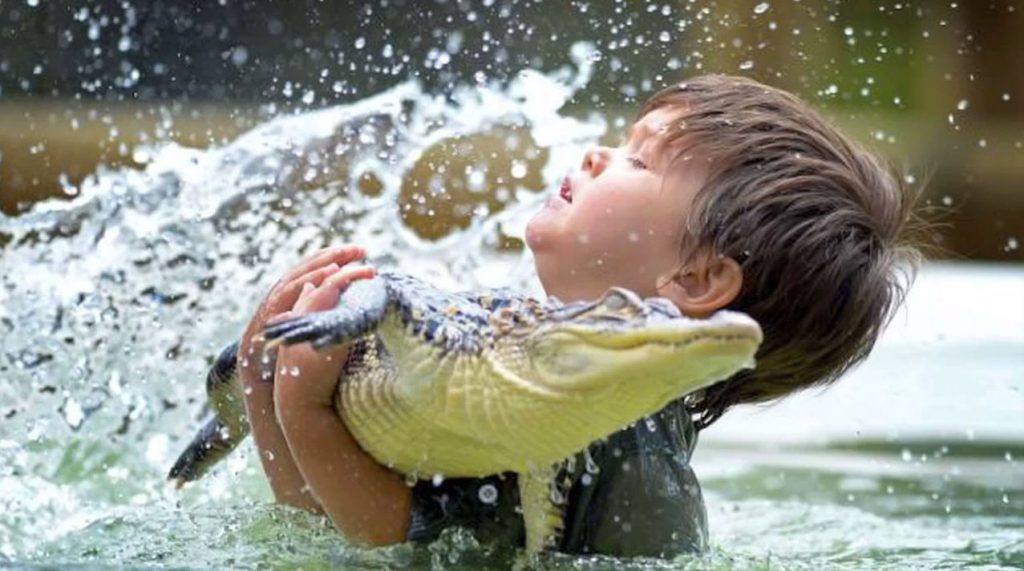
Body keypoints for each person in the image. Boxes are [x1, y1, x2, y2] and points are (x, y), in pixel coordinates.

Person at [235, 74, 923, 557]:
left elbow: (407, 548)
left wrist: (299, 404)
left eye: (638, 159)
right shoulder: (532, 360)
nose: (597, 154)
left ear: (697, 279)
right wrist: (262, 378)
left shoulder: (614, 432)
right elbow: (324, 528)